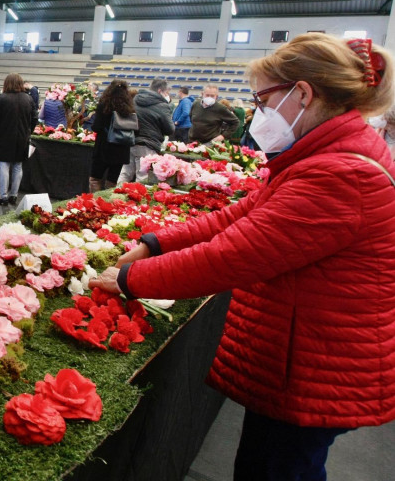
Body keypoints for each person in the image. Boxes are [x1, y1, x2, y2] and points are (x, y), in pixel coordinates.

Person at [90, 33, 395, 481]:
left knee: (278, 469)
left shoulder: (339, 173)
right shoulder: (322, 156)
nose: (259, 113)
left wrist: (131, 280)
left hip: (314, 368)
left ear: (303, 94)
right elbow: (238, 216)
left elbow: (229, 256)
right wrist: (155, 244)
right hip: (307, 358)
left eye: (264, 100)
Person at [0, 72, 37, 206]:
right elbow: (34, 119)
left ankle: (3, 196)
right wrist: (28, 132)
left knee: (4, 166)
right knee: (18, 166)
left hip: (4, 138)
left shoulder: (2, 98)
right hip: (22, 138)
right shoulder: (28, 99)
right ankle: (14, 196)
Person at [116, 78, 174, 184]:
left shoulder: (136, 99)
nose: (168, 95)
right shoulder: (162, 106)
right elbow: (169, 129)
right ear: (160, 91)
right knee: (143, 177)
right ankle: (137, 199)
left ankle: (116, 196)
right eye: (167, 92)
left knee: (125, 173)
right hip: (148, 144)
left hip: (132, 141)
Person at [88, 79, 135, 191]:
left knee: (95, 179)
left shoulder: (104, 105)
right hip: (121, 149)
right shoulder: (129, 108)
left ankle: (94, 203)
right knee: (112, 182)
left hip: (104, 147)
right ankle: (109, 203)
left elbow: (96, 127)